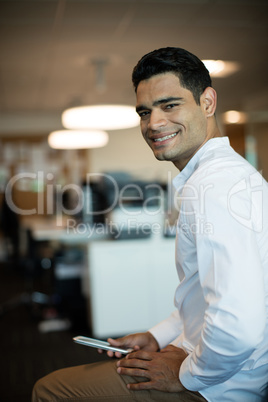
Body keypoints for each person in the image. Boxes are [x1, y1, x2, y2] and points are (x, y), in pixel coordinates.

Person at [32, 47, 268, 402]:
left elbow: (240, 327)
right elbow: (205, 296)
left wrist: (186, 375)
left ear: (207, 102)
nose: (154, 123)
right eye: (145, 111)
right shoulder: (218, 178)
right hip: (216, 365)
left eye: (170, 105)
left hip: (219, 385)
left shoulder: (215, 188)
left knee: (50, 390)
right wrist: (159, 336)